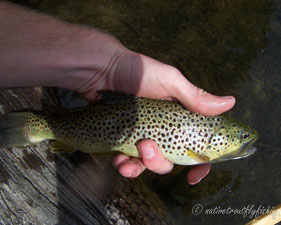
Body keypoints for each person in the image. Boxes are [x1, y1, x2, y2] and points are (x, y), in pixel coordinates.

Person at [0, 2, 235, 185]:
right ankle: (37, 128)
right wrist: (107, 67)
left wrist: (108, 66)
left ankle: (44, 128)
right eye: (241, 138)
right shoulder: (201, 149)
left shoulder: (202, 147)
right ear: (216, 137)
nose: (242, 143)